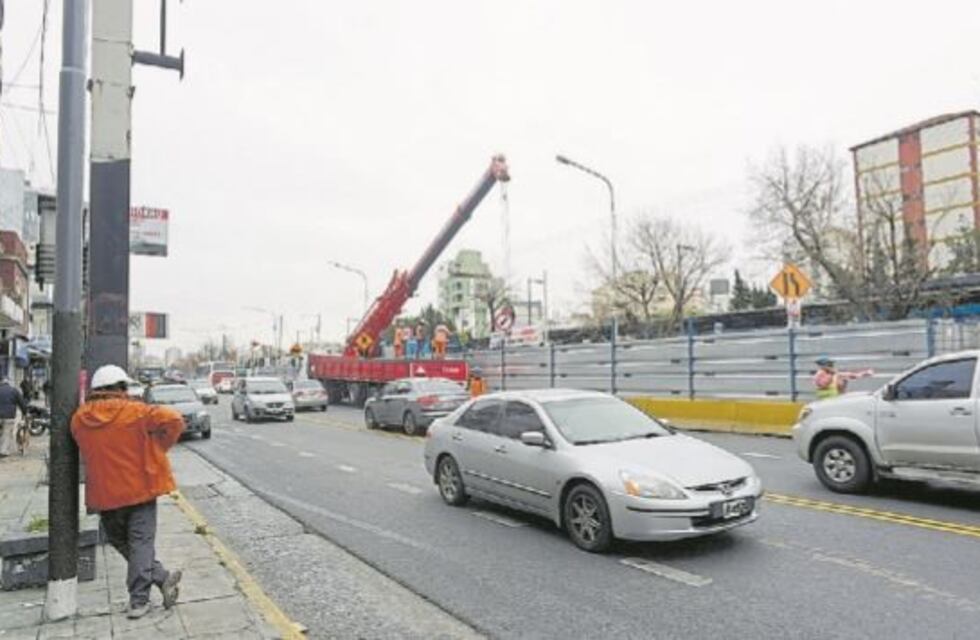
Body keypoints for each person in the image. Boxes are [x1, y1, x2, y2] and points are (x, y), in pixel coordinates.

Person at [70, 365, 184, 619]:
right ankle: (139, 600)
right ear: (121, 387)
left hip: (104, 494)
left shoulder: (79, 419)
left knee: (121, 542)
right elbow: (174, 419)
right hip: (140, 489)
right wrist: (159, 447)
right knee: (140, 543)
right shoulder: (136, 412)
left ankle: (162, 578)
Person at [0, 377, 28, 457]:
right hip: (9, 416)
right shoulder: (14, 391)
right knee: (6, 433)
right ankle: (3, 451)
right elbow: (21, 403)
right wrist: (25, 412)